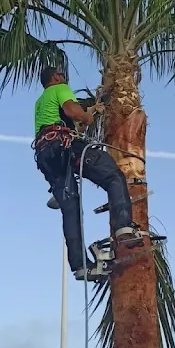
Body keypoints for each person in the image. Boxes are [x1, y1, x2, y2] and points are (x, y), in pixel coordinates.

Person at [33, 67, 138, 280]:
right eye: (61, 75)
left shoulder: (40, 101)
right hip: (65, 148)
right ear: (56, 77)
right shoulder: (60, 89)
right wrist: (87, 117)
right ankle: (124, 227)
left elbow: (65, 123)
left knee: (70, 208)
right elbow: (73, 112)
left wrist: (89, 113)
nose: (64, 78)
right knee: (113, 176)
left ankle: (80, 266)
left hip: (46, 155)